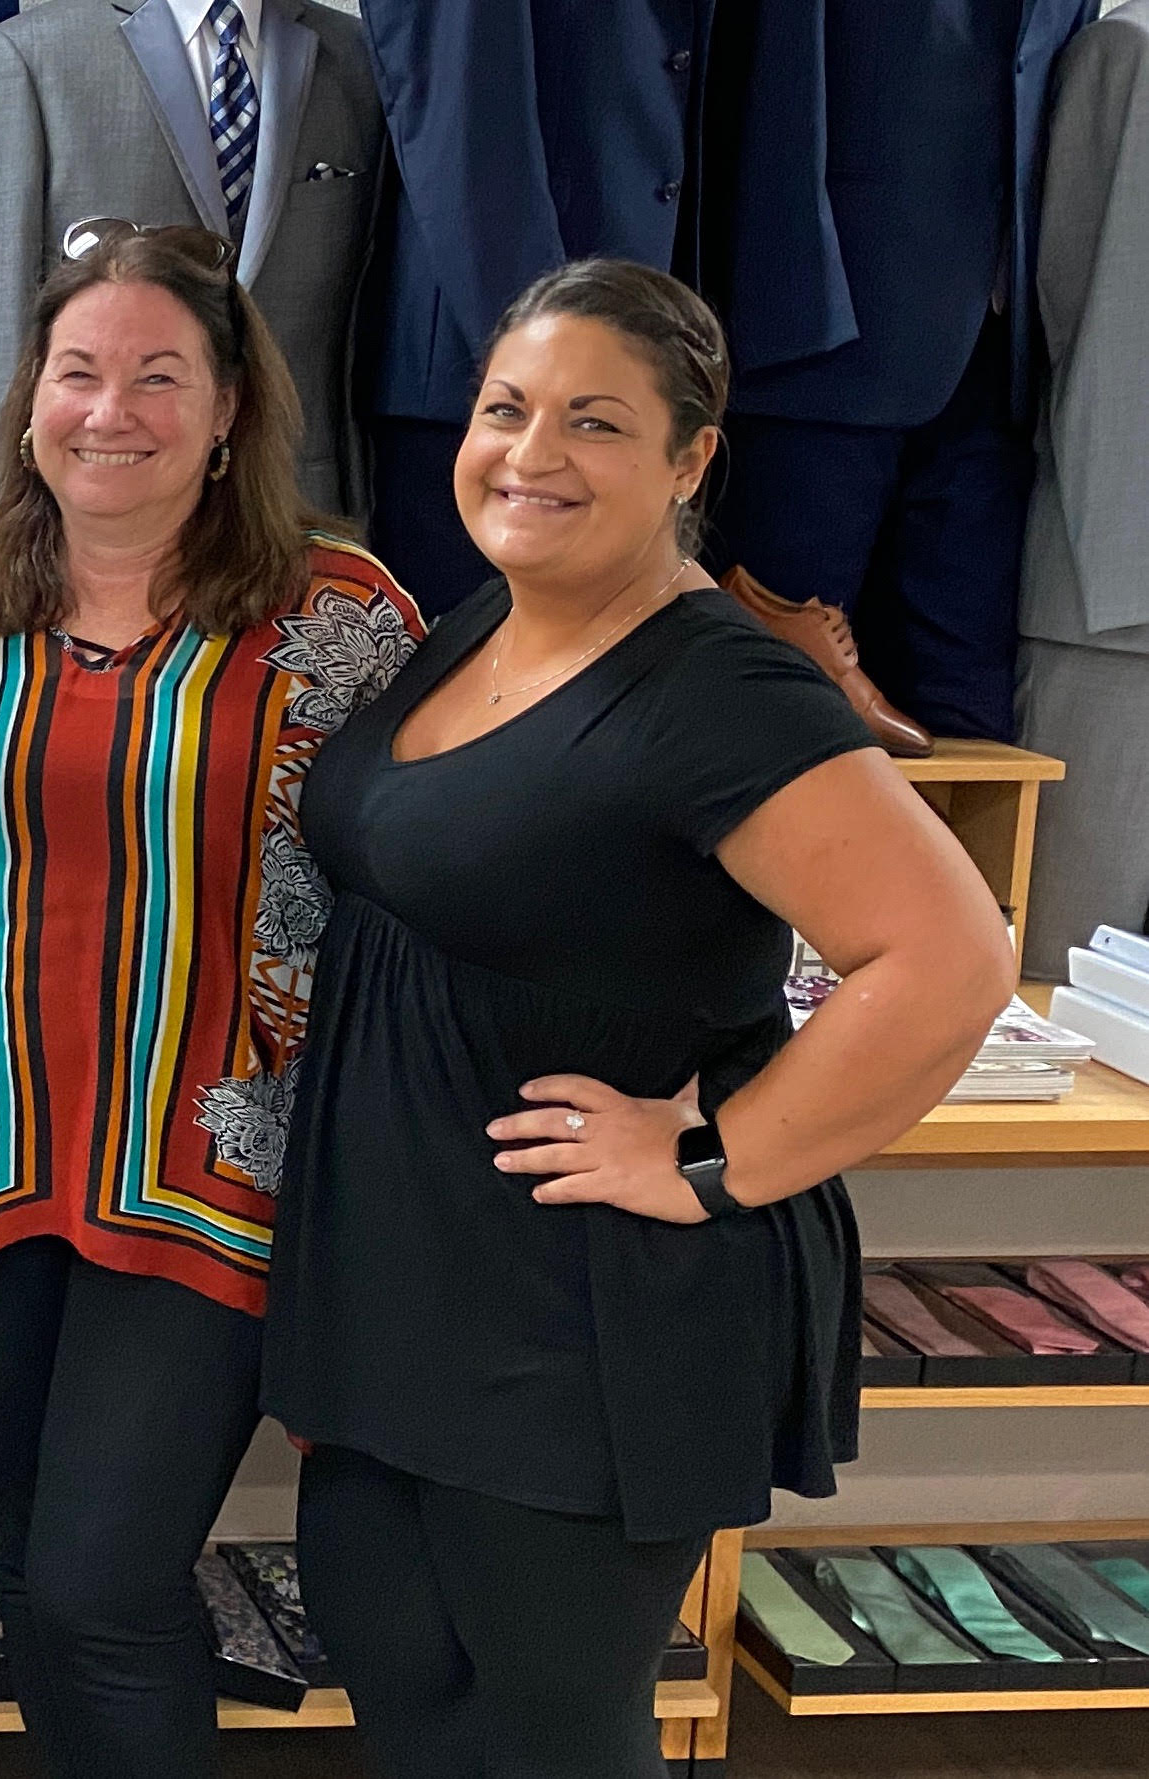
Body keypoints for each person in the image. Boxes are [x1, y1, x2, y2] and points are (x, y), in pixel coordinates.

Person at [261, 260, 1017, 1779]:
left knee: (547, 1736)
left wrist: (712, 1159)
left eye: (594, 422)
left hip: (579, 1312)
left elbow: (950, 959)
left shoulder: (721, 689)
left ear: (690, 459)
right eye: (506, 409)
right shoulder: (489, 619)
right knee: (406, 1692)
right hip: (406, 1279)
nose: (531, 453)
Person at [0, 221, 422, 1778]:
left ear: (231, 405)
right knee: (43, 1576)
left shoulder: (340, 614)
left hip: (220, 1171)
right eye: (79, 373)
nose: (110, 412)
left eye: (159, 376)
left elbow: (432, 882)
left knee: (104, 1581)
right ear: (30, 399)